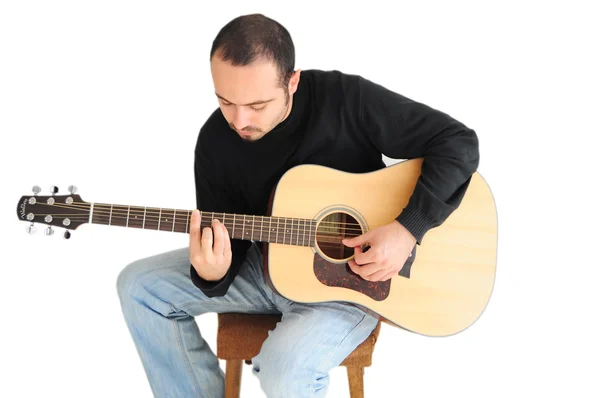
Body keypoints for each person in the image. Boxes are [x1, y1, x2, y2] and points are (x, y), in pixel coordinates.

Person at [116, 13, 479, 398]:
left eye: (257, 104)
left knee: (284, 372)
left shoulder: (345, 100)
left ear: (292, 81)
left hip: (351, 284)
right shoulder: (214, 141)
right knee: (138, 286)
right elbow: (228, 242)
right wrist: (213, 273)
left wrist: (409, 229)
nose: (240, 121)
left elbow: (457, 143)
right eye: (225, 101)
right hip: (263, 268)